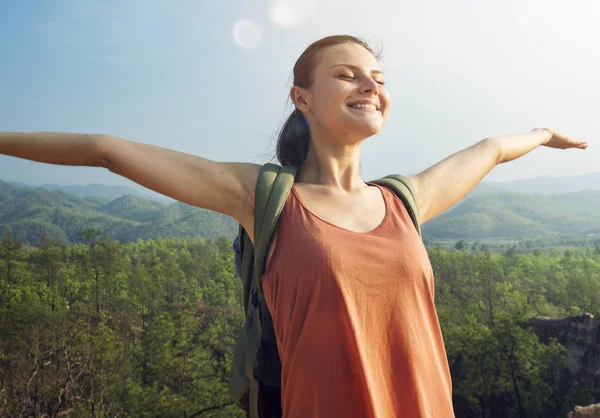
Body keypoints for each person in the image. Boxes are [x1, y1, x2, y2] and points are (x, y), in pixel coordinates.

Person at [0, 35, 588, 418]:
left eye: (379, 78)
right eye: (348, 74)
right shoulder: (265, 199)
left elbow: (487, 150)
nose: (371, 86)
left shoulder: (403, 202)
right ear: (300, 98)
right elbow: (107, 149)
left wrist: (542, 135)